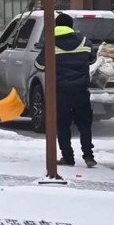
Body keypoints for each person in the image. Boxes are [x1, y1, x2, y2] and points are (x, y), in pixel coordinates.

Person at [34, 13, 97, 167]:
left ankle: (68, 157)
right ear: (70, 26)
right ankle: (88, 156)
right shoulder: (84, 41)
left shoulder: (50, 43)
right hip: (81, 89)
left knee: (62, 124)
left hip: (60, 91)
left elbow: (39, 66)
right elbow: (92, 59)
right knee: (84, 124)